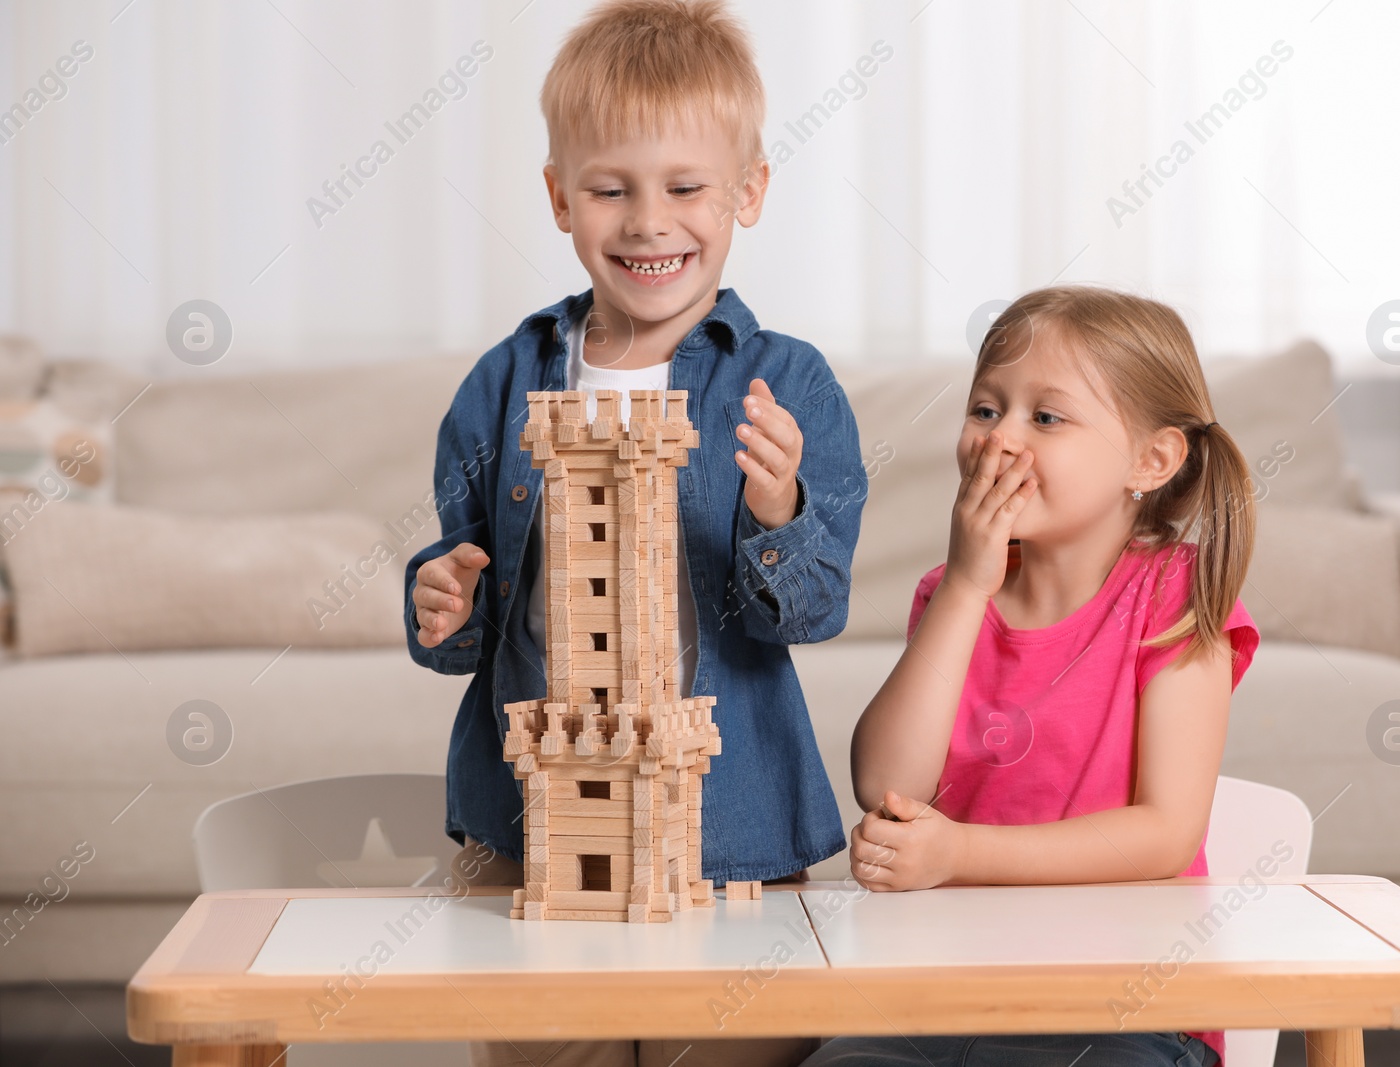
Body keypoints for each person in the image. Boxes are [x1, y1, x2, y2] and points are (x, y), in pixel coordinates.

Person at [403, 2, 864, 1063]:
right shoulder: (505, 382)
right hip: (528, 822)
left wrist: (776, 512)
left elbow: (817, 603)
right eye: (611, 188)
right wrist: (444, 597)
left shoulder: (783, 384)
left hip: (734, 822)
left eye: (686, 187)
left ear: (748, 190)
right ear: (562, 197)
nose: (649, 221)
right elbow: (462, 596)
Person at [811, 287, 1260, 1067]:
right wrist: (964, 587)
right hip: (939, 999)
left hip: (1127, 1011)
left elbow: (1164, 832)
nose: (1000, 440)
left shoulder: (1177, 599)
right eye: (987, 409)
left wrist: (957, 856)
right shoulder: (949, 595)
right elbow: (885, 781)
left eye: (1045, 418)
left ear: (1150, 461)